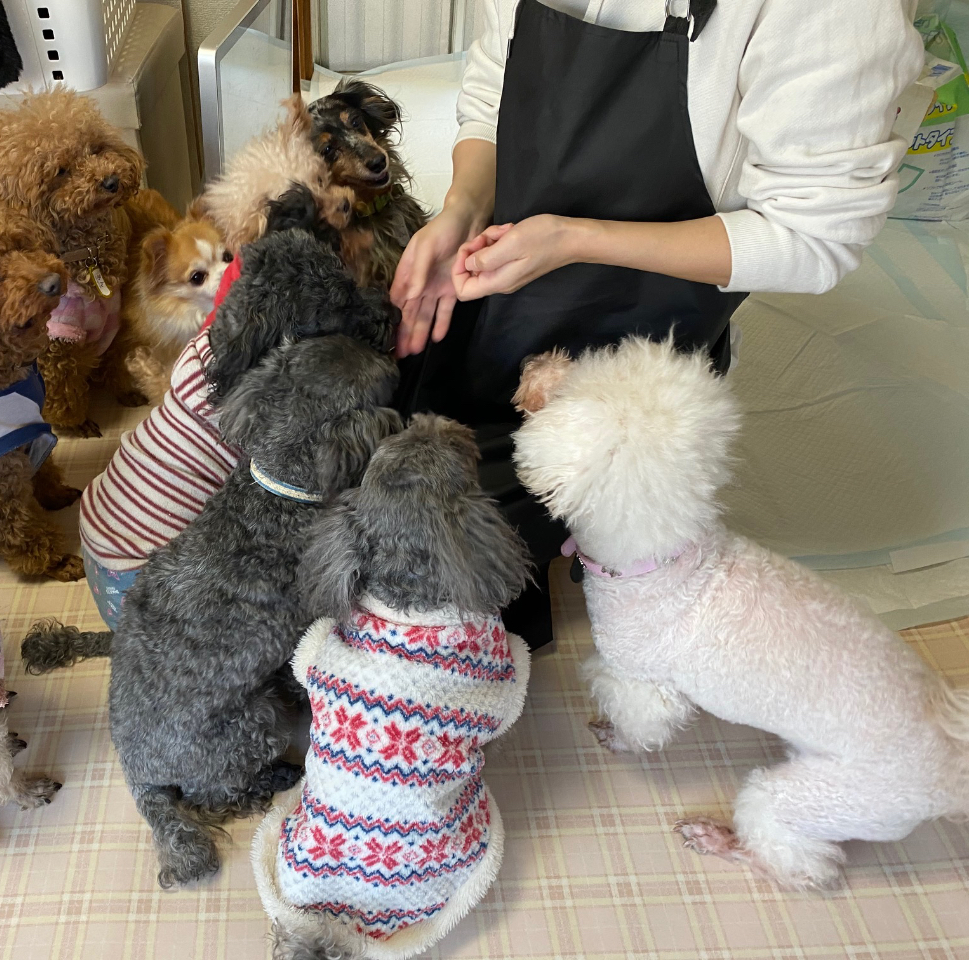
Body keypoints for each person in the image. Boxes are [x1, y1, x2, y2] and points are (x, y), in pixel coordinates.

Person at [390, 0, 923, 651]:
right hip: (507, 266)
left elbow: (815, 236)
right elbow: (492, 87)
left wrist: (577, 240)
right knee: (365, 447)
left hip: (647, 323)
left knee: (430, 565)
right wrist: (463, 208)